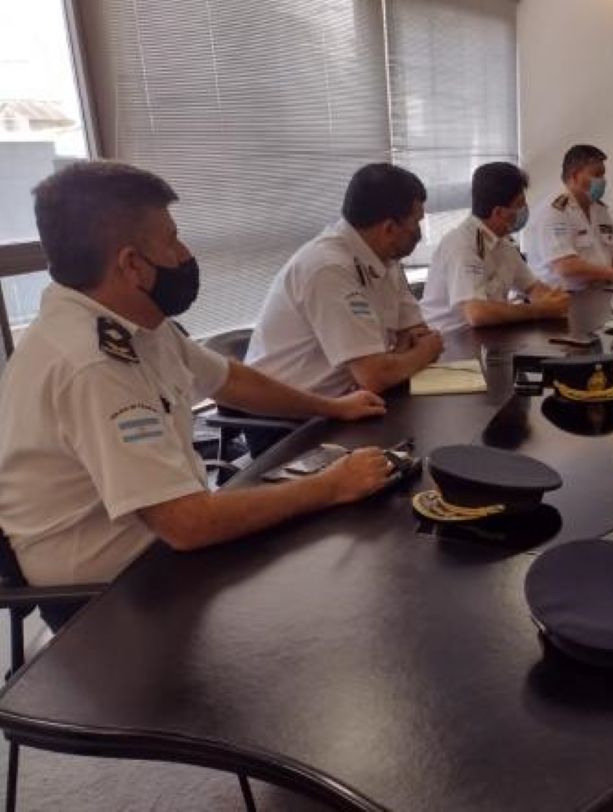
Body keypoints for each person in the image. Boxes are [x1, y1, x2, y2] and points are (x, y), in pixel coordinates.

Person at [0, 161, 398, 603]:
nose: (184, 252)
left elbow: (230, 380)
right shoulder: (91, 363)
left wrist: (332, 407)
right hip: (109, 599)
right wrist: (332, 485)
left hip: (165, 550)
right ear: (131, 265)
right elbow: (187, 523)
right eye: (172, 240)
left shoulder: (133, 318)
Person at [245, 163, 444, 397]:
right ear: (389, 228)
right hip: (286, 411)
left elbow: (416, 333)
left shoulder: (386, 258)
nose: (419, 232)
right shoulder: (328, 268)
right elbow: (375, 375)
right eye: (416, 222)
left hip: (346, 400)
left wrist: (398, 359)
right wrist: (424, 352)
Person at [421, 162, 570, 332]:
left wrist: (554, 300)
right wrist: (539, 310)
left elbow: (532, 287)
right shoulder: (463, 245)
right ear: (498, 212)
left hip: (488, 335)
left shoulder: (503, 244)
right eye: (519, 205)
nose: (524, 210)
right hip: (452, 340)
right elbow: (477, 313)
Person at [526, 144, 613, 291]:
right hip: (563, 297)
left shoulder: (600, 209)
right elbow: (566, 267)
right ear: (575, 176)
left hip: (600, 292)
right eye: (597, 175)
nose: (603, 181)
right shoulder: (554, 212)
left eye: (603, 175)